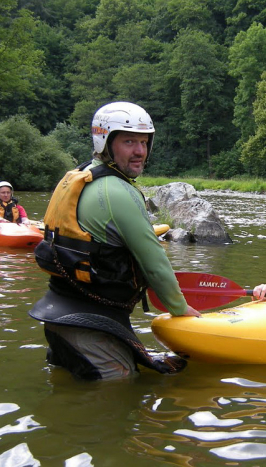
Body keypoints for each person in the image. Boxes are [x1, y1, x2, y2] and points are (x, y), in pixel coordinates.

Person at [29, 101, 201, 381]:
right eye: (129, 141)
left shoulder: (80, 176)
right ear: (105, 142)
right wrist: (181, 310)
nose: (140, 152)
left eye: (144, 142)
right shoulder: (118, 191)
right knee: (117, 399)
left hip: (59, 318)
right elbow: (155, 264)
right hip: (89, 328)